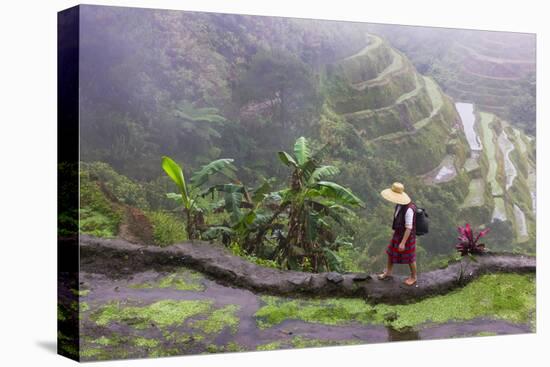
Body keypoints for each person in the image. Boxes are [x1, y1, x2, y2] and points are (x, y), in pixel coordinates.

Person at [377, 182, 418, 286]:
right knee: (391, 252)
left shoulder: (409, 209)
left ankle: (414, 277)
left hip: (406, 236)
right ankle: (388, 272)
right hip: (398, 233)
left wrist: (403, 243)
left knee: (410, 257)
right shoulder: (400, 205)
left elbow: (409, 228)